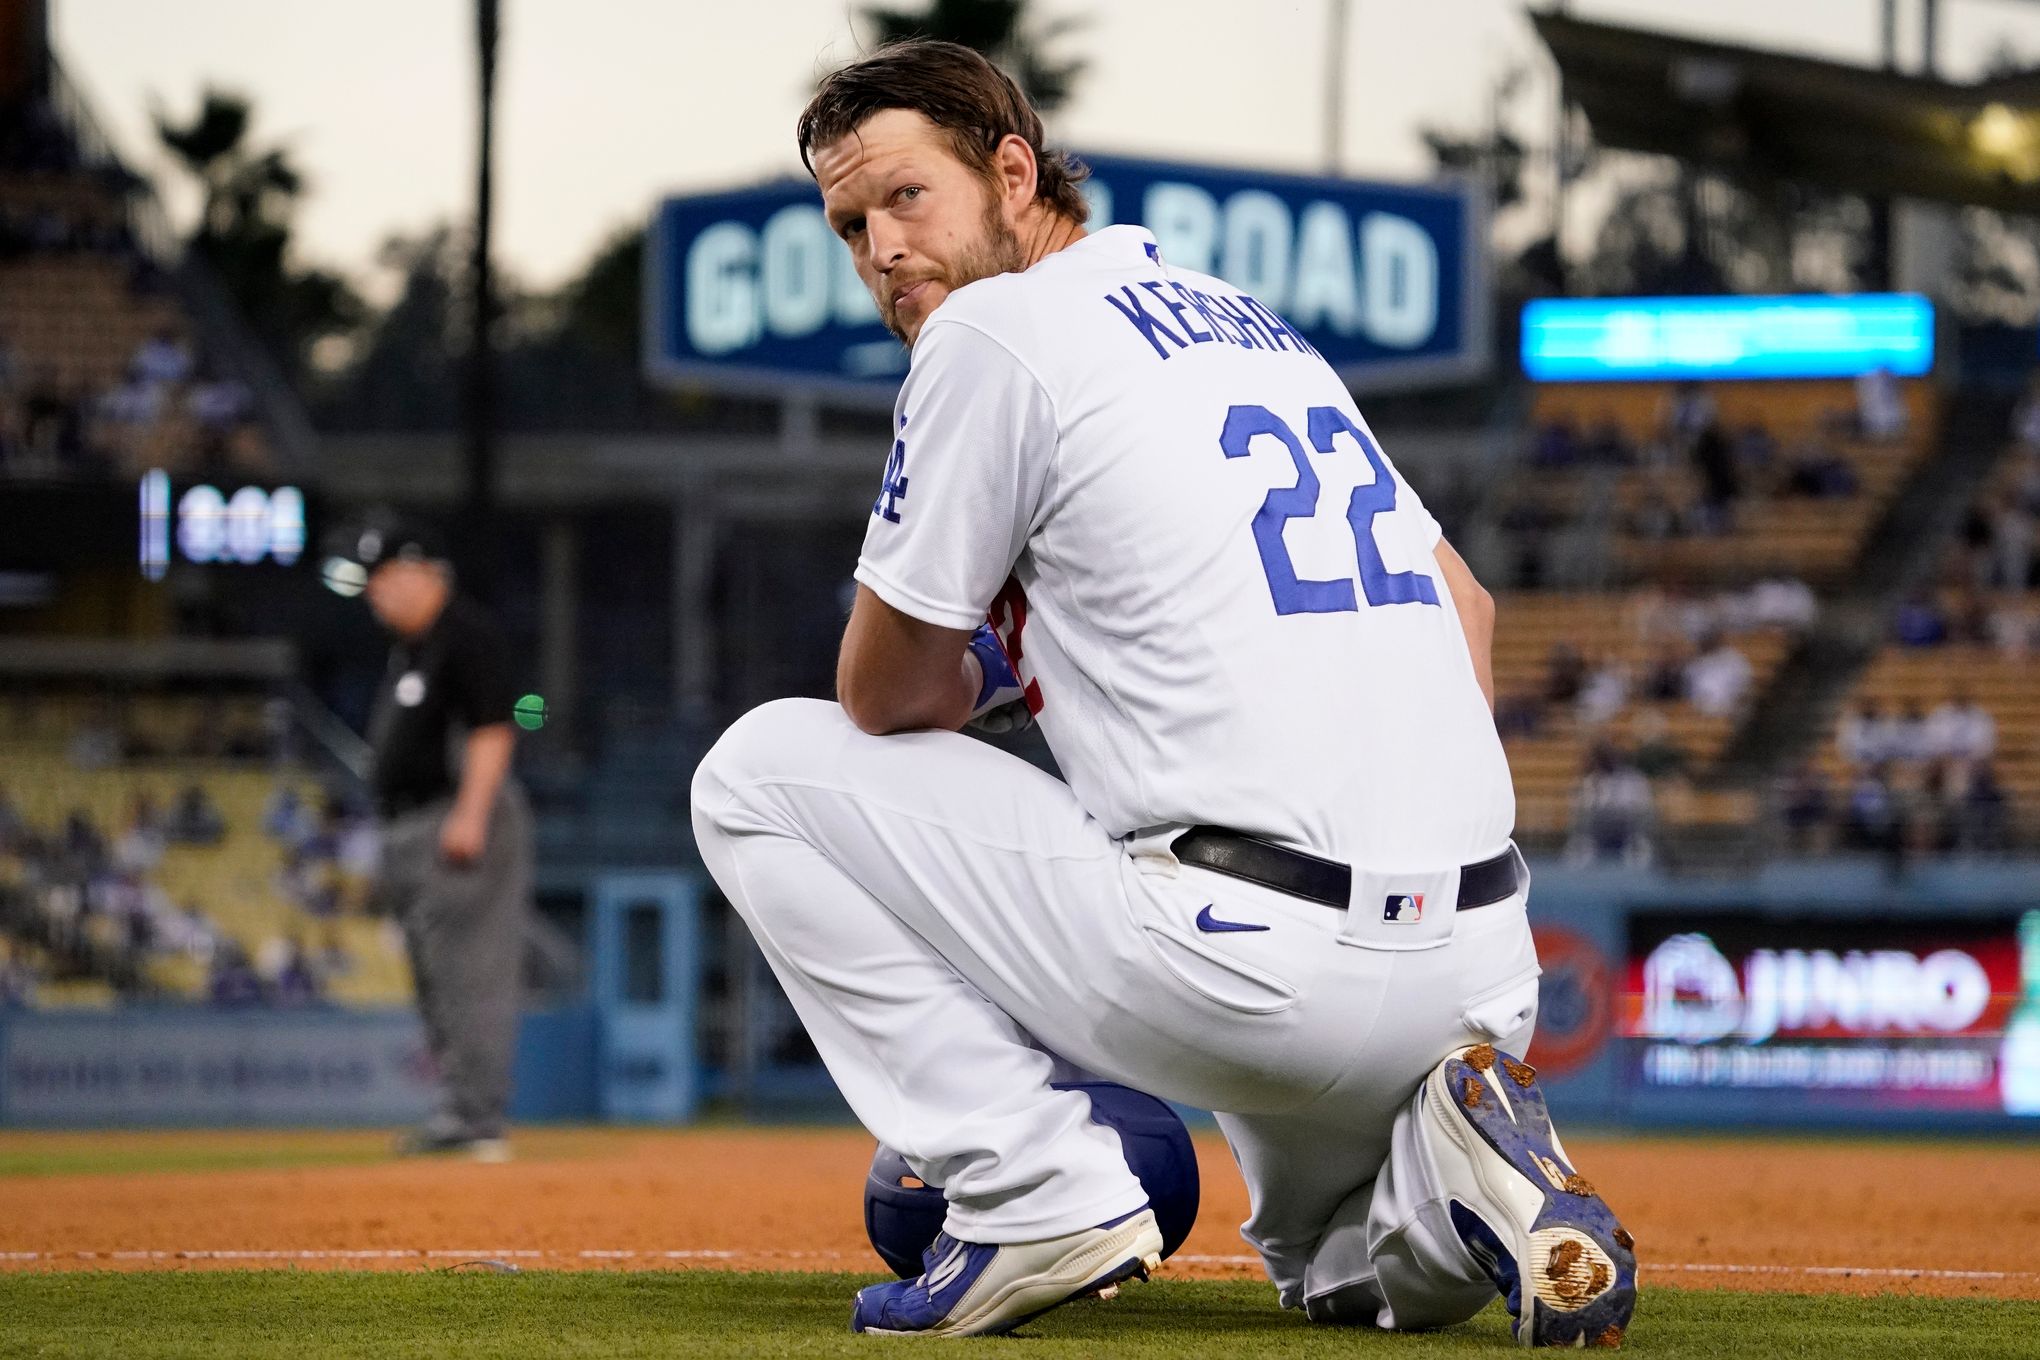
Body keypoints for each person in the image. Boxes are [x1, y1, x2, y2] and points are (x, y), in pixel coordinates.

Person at [689, 41, 1634, 1346]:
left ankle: (1032, 1192)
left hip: (1242, 958)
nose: (879, 246)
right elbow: (1464, 608)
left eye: (906, 197)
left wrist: (993, 668)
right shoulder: (1252, 327)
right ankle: (1460, 1166)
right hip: (1477, 967)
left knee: (757, 773)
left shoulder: (993, 328)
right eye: (850, 223)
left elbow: (886, 695)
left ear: (1013, 173)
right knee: (1339, 1276)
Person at [333, 516, 532, 1162]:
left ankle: (478, 1117)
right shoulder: (413, 647)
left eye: (386, 577)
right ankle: (460, 1110)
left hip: (457, 819)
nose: (375, 593)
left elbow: (492, 728)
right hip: (415, 823)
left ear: (424, 571)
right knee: (437, 977)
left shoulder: (464, 634)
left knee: (469, 973)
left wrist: (471, 814)